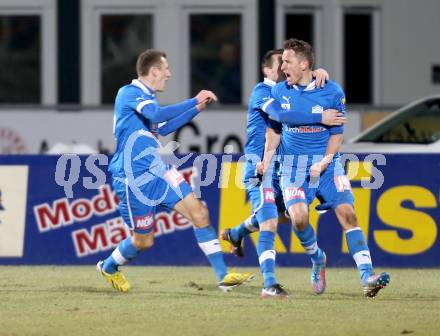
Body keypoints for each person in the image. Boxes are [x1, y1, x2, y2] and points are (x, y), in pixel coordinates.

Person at [97, 49, 254, 293]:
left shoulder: (147, 98)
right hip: (133, 179)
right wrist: (193, 99)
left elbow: (164, 125)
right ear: (154, 71)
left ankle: (224, 277)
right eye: (166, 69)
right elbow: (157, 115)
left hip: (158, 172)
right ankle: (108, 267)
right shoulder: (129, 93)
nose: (169, 74)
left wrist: (197, 109)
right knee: (143, 241)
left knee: (200, 213)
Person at [261, 39, 390, 298]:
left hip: (328, 166)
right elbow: (275, 129)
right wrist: (266, 158)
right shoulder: (279, 92)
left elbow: (337, 134)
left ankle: (367, 277)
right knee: (298, 218)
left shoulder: (332, 91)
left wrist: (326, 161)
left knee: (348, 214)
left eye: (287, 61)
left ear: (304, 64)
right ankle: (318, 259)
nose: (282, 66)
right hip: (292, 167)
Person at [221, 49, 346, 298]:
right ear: (268, 71)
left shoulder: (291, 91)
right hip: (261, 167)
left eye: (289, 63)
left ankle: (235, 233)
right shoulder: (263, 92)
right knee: (269, 220)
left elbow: (304, 91)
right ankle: (270, 283)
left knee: (287, 216)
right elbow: (280, 116)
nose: (285, 68)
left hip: (285, 167)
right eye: (281, 64)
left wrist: (317, 75)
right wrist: (320, 115)